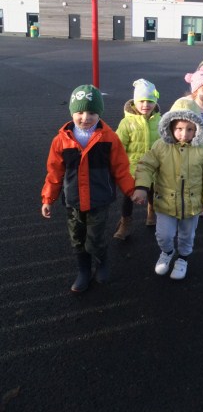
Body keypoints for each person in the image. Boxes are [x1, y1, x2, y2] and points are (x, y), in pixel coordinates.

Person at [41, 84, 136, 293]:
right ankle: (83, 269)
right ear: (72, 113)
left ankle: (102, 262)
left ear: (99, 114)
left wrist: (131, 190)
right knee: (77, 238)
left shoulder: (109, 138)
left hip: (98, 200)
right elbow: (54, 173)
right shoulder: (61, 141)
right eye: (80, 112)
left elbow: (121, 168)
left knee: (96, 238)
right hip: (73, 200)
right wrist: (48, 198)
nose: (86, 118)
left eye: (92, 113)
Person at [133, 109, 203, 280]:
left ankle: (183, 258)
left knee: (187, 235)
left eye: (190, 129)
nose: (184, 134)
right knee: (163, 235)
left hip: (192, 203)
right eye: (179, 129)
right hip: (165, 201)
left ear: (197, 129)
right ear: (170, 128)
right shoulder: (161, 146)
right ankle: (167, 252)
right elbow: (146, 166)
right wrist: (142, 187)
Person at [113, 79, 161, 240]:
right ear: (135, 102)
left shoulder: (159, 121)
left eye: (150, 101)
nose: (146, 105)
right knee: (128, 197)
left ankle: (151, 211)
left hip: (153, 167)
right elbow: (119, 146)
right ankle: (125, 222)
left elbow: (164, 144)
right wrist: (118, 167)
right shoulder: (127, 123)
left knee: (153, 191)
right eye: (141, 101)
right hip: (133, 168)